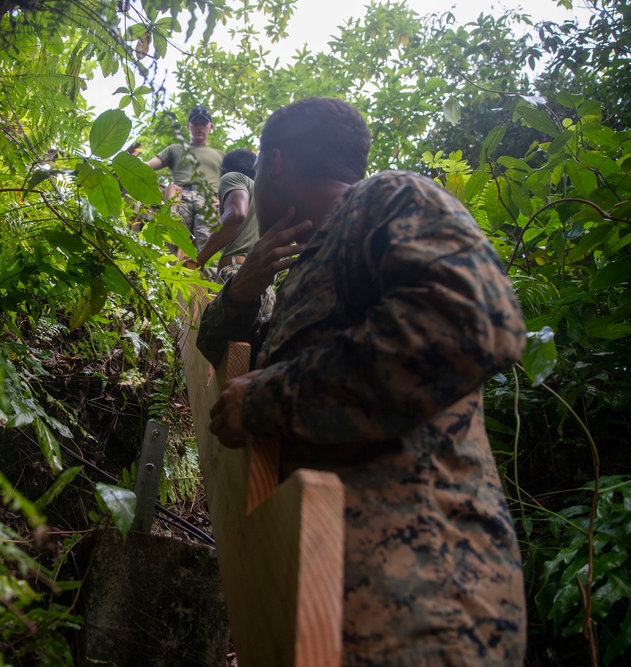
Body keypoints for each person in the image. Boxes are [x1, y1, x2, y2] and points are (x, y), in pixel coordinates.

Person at [198, 97, 528, 665]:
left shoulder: (389, 199)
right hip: (323, 596)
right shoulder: (301, 268)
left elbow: (472, 324)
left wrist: (271, 397)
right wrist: (241, 291)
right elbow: (227, 376)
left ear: (273, 164)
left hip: (424, 603)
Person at [145, 106, 224, 252]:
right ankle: (170, 273)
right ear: (188, 126)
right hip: (180, 196)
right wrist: (125, 165)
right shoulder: (175, 149)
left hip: (209, 199)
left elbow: (233, 181)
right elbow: (149, 165)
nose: (199, 127)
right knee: (173, 237)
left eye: (203, 124)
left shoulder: (220, 155)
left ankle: (208, 274)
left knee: (208, 242)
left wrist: (224, 200)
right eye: (196, 123)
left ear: (210, 126)